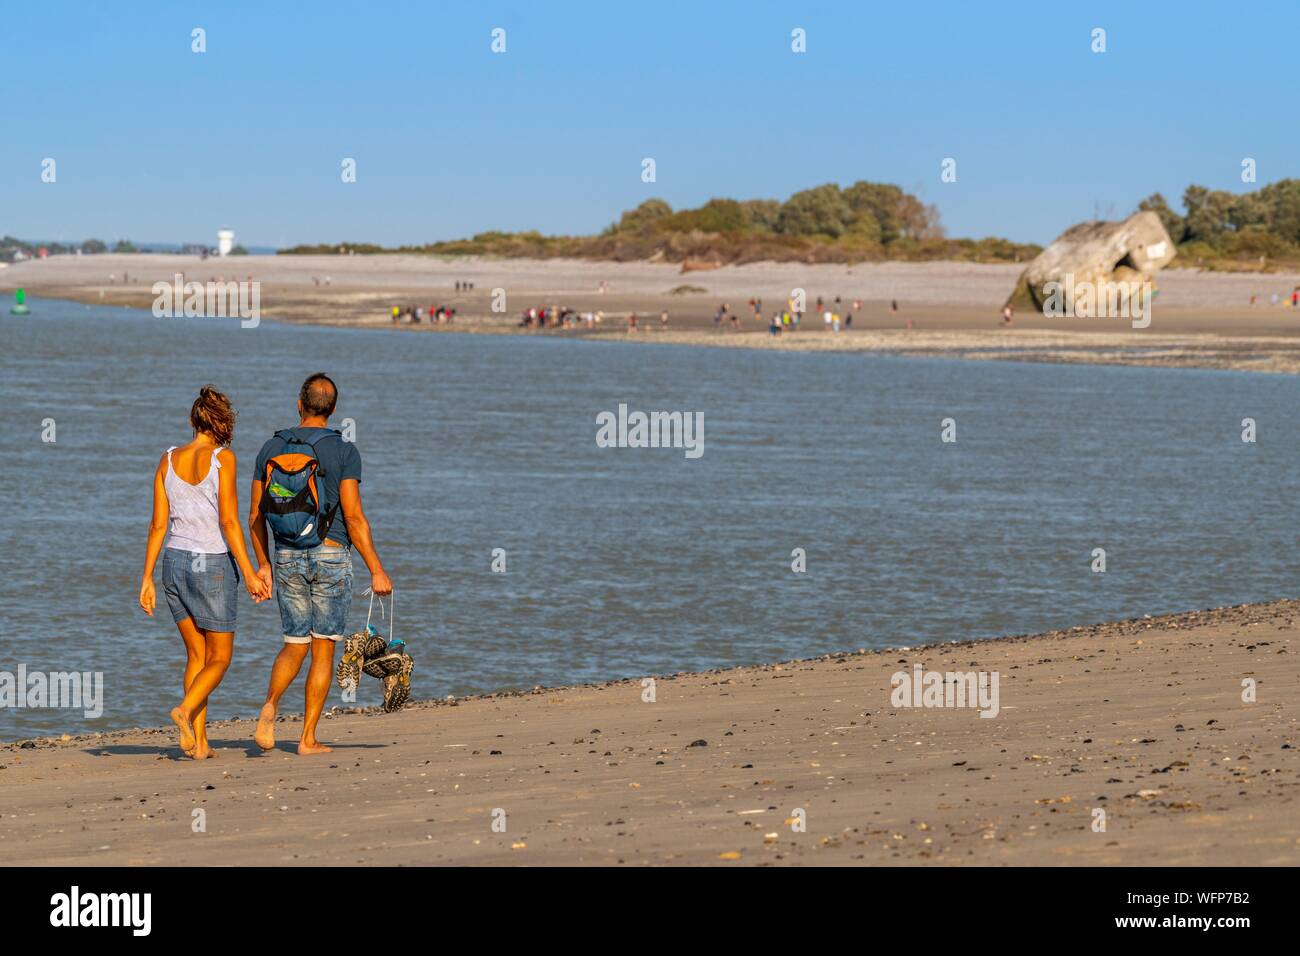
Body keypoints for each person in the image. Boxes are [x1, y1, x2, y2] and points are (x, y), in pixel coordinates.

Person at [248, 373, 392, 755]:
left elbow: (253, 517)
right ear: (333, 410)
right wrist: (376, 568)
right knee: (323, 648)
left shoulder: (270, 447)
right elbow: (355, 516)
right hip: (331, 552)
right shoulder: (344, 449)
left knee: (294, 644)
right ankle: (307, 738)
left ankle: (270, 706)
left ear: (299, 404)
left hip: (286, 555)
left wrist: (262, 564)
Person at [139, 386, 270, 759]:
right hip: (211, 565)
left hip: (174, 562)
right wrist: (249, 573)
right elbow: (229, 522)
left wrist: (146, 578)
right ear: (221, 422)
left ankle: (200, 744)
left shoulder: (167, 459)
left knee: (196, 656)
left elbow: (157, 526)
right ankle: (184, 709)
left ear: (194, 421)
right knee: (221, 659)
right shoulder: (222, 459)